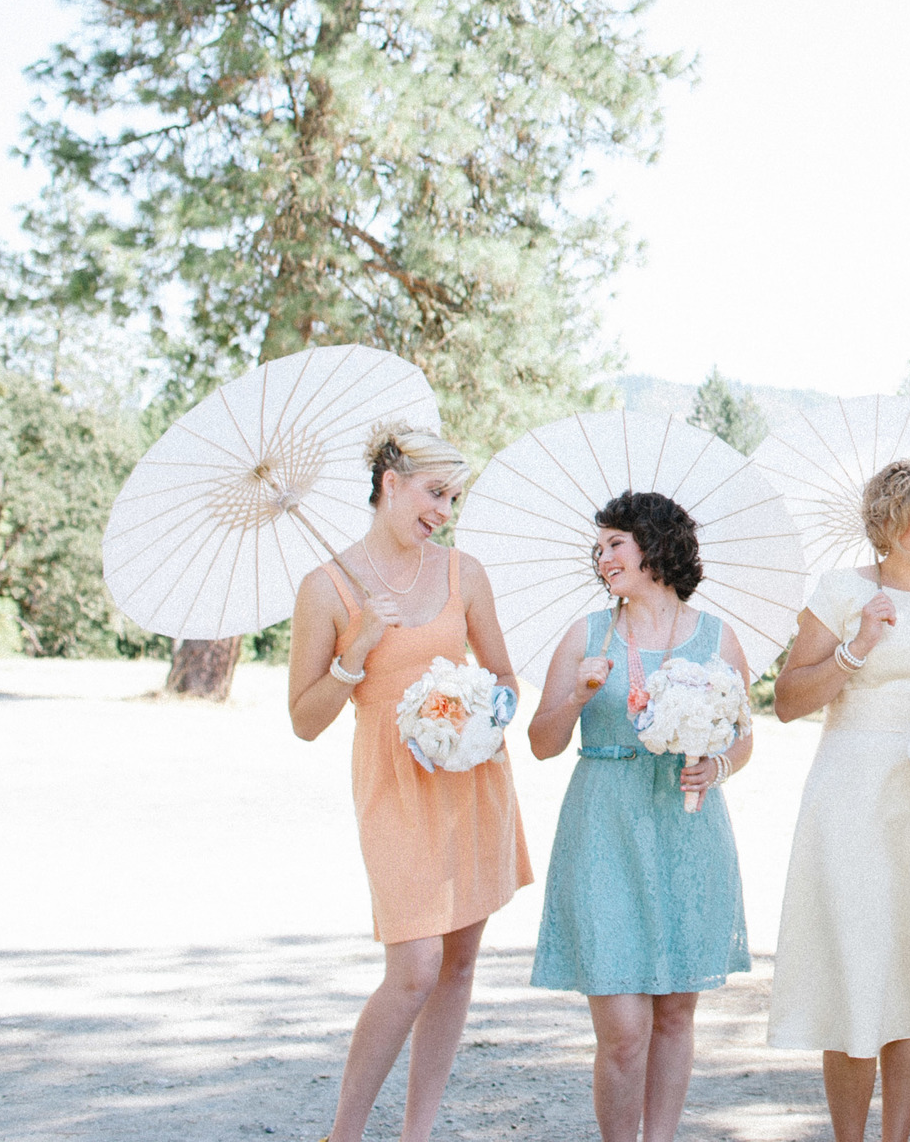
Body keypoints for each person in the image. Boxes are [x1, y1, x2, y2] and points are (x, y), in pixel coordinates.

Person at [284, 425, 532, 1142]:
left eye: (452, 497)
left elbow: (506, 681)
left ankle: (416, 1134)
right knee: (416, 965)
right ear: (390, 483)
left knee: (457, 964)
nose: (444, 510)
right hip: (393, 788)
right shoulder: (324, 589)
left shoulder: (465, 572)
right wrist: (352, 656)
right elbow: (304, 721)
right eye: (435, 492)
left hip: (472, 779)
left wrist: (482, 721)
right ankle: (345, 1133)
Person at [766, 460, 910, 1142]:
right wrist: (856, 647)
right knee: (854, 964)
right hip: (853, 799)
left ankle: (896, 1136)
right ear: (892, 525)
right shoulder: (841, 591)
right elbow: (787, 702)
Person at [528, 490, 754, 1142]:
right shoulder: (586, 634)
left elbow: (742, 737)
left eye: (613, 544)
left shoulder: (717, 638)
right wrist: (576, 693)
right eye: (598, 548)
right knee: (624, 1029)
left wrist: (717, 767)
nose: (602, 559)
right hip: (604, 830)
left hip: (687, 832)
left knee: (677, 1011)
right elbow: (542, 743)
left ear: (655, 545)